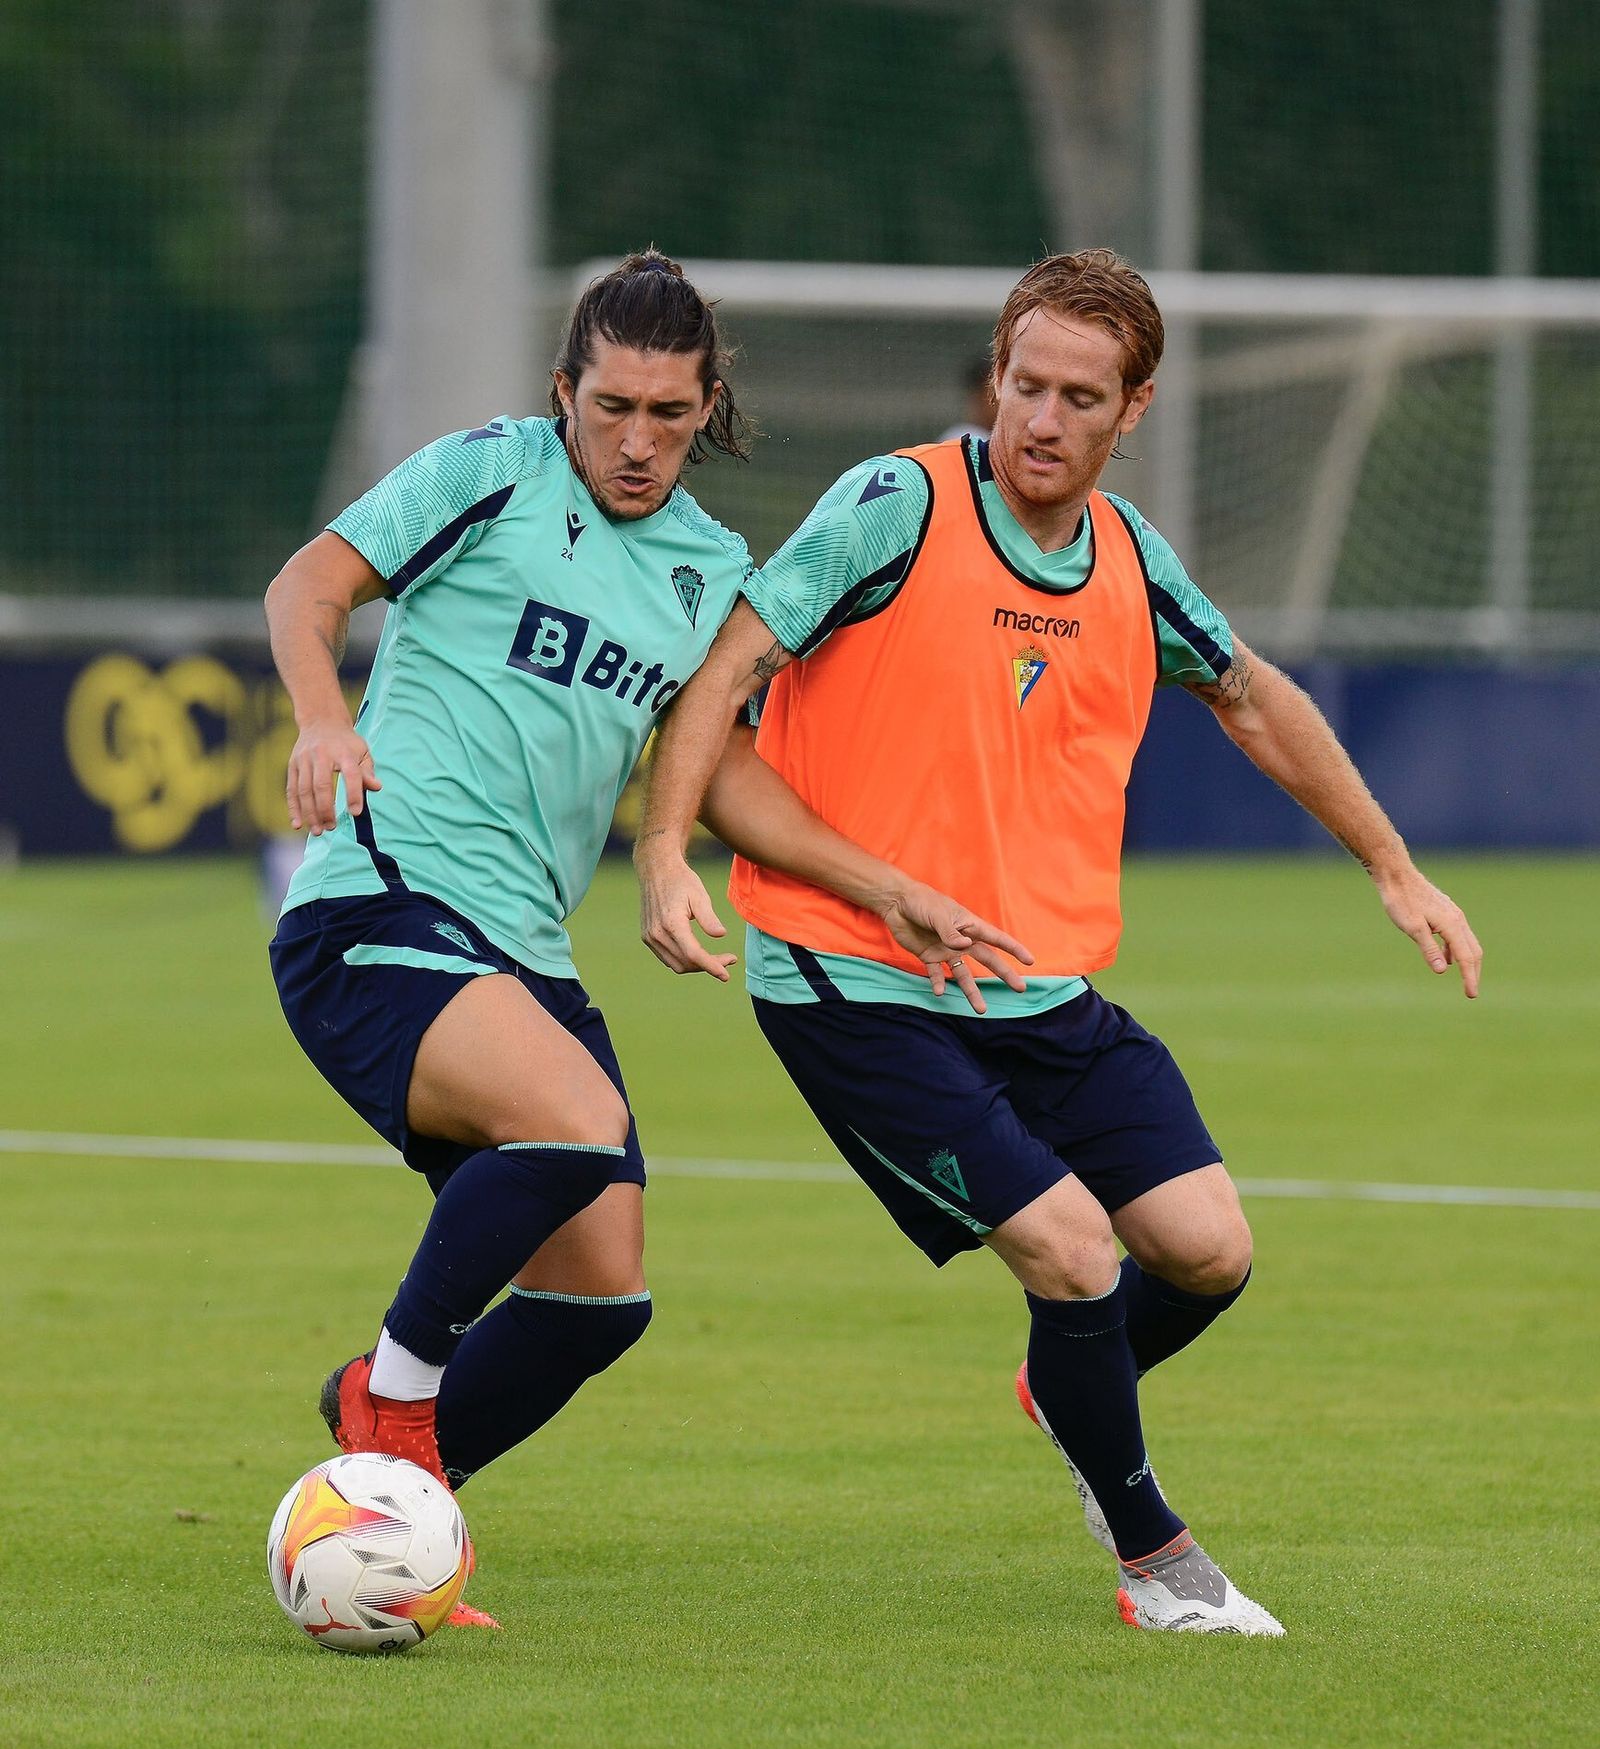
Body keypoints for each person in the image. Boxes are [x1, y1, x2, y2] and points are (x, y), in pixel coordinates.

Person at [633, 248, 1483, 1637]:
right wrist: (668, 855)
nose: (1040, 417)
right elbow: (726, 673)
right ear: (999, 373)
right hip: (855, 979)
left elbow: (1254, 698)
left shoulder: (1134, 561)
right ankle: (1160, 1564)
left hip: (1034, 983)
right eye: (1023, 383)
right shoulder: (893, 506)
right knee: (1076, 1252)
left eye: (1079, 397)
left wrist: (1392, 864)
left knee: (1207, 1251)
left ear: (1132, 409)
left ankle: (1070, 1391)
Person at [265, 252, 1017, 1628]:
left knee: (601, 1297)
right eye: (611, 406)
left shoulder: (706, 569)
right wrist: (324, 717)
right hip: (381, 906)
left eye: (670, 414)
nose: (637, 440)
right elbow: (308, 585)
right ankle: (393, 1398)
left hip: (525, 954)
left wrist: (884, 886)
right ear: (565, 391)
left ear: (707, 406)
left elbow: (719, 773)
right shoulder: (488, 472)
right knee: (570, 1124)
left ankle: (384, 1518)